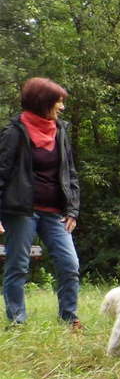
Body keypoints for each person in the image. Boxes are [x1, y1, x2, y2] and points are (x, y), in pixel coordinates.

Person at [0, 78, 82, 330]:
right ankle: (17, 322)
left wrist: (72, 210)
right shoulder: (14, 133)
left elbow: (70, 173)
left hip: (55, 212)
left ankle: (69, 318)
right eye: (58, 102)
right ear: (42, 102)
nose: (62, 107)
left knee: (70, 264)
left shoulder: (60, 131)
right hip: (21, 211)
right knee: (18, 265)